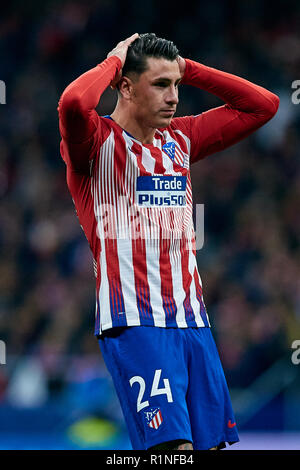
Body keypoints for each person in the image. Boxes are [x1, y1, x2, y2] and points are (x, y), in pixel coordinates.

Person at [57, 33, 279, 450]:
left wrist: (186, 68)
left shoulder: (181, 138)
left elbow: (263, 105)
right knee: (173, 453)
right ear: (125, 86)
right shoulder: (94, 145)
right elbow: (73, 102)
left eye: (176, 85)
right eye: (160, 85)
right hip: (136, 323)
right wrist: (113, 61)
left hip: (194, 323)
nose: (174, 96)